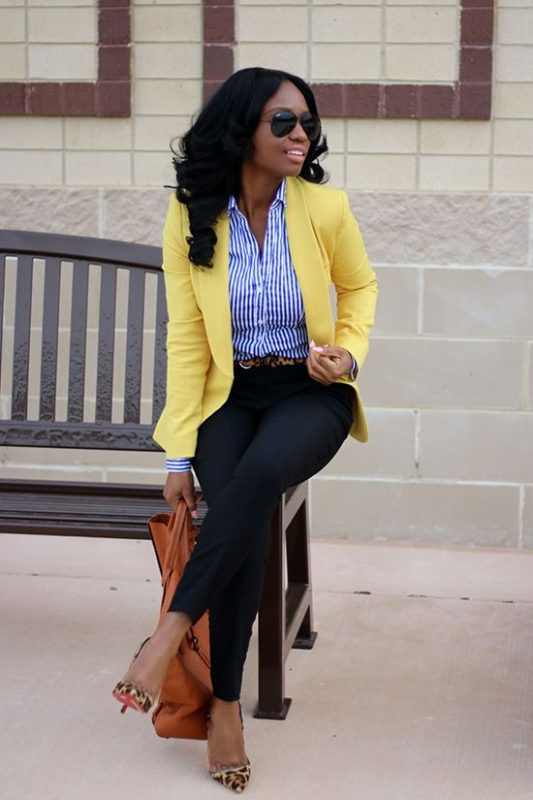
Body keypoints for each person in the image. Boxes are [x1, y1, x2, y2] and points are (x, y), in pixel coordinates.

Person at [112, 66, 378, 793]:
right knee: (244, 515)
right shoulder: (191, 214)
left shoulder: (323, 208)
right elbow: (186, 339)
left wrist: (346, 352)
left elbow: (359, 287)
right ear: (242, 130)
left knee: (256, 478)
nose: (301, 134)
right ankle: (225, 706)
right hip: (227, 397)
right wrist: (177, 455)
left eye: (307, 122)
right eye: (283, 122)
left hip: (307, 392)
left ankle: (169, 633)